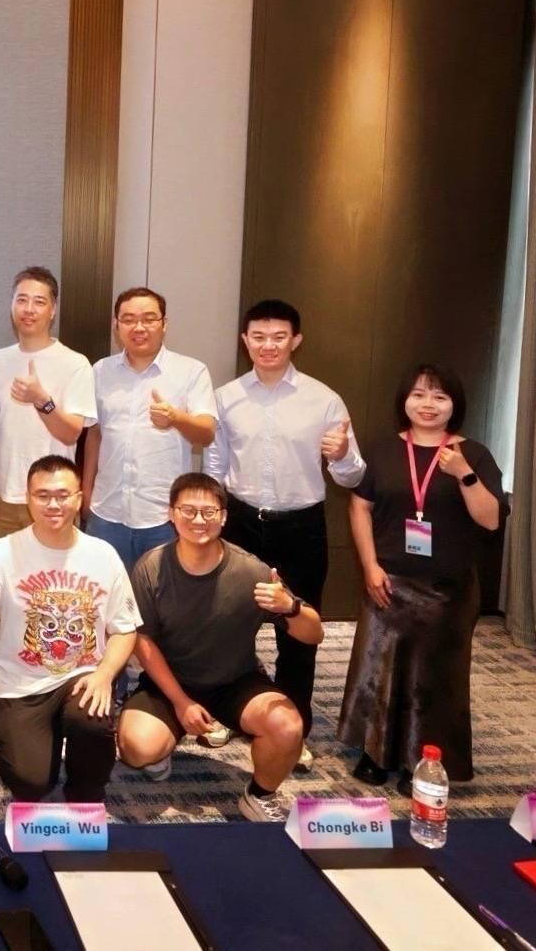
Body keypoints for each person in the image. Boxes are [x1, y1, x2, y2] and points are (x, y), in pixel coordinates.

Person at [202, 299, 362, 766]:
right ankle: (226, 711)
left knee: (298, 631)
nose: (268, 345)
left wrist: (342, 455)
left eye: (278, 337)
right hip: (240, 521)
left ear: (296, 340)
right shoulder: (225, 397)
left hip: (301, 526)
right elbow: (215, 466)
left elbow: (353, 475)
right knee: (228, 624)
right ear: (245, 340)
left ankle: (294, 726)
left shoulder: (324, 399)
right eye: (258, 336)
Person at [115, 473, 322, 822]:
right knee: (137, 748)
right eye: (188, 510)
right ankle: (164, 745)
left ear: (224, 517)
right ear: (171, 514)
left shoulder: (250, 570)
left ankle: (259, 796)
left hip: (236, 681)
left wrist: (290, 607)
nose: (198, 520)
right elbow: (142, 640)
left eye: (209, 512)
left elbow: (313, 634)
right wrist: (181, 702)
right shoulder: (151, 567)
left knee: (288, 726)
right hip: (171, 684)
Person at [338, 364, 505, 794]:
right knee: (379, 670)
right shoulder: (382, 450)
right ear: (405, 401)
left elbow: (490, 520)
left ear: (454, 405)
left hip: (447, 589)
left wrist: (464, 473)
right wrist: (370, 566)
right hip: (388, 579)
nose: (428, 405)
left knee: (435, 679)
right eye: (419, 395)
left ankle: (425, 760)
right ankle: (375, 753)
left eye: (439, 397)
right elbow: (360, 507)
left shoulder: (474, 454)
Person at [0, 456, 138, 804]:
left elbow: (125, 629)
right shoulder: (3, 552)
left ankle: (85, 789)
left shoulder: (102, 554)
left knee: (90, 720)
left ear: (79, 498)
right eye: (42, 495)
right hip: (21, 683)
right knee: (30, 783)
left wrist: (105, 675)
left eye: (62, 495)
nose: (53, 504)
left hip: (82, 676)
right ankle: (32, 732)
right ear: (28, 498)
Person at [71, 287, 217, 570]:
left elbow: (207, 432)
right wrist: (87, 491)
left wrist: (176, 418)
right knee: (104, 591)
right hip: (106, 511)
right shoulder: (100, 371)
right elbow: (95, 434)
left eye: (149, 319)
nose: (139, 327)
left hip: (165, 516)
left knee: (162, 594)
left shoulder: (191, 371)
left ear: (164, 323)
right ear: (116, 325)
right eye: (128, 319)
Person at [0, 268, 90, 551]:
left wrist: (42, 400)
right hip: (3, 495)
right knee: (5, 572)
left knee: (53, 574)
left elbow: (71, 434)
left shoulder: (75, 363)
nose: (29, 309)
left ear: (53, 310)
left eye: (39, 302)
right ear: (11, 305)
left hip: (54, 496)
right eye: (22, 299)